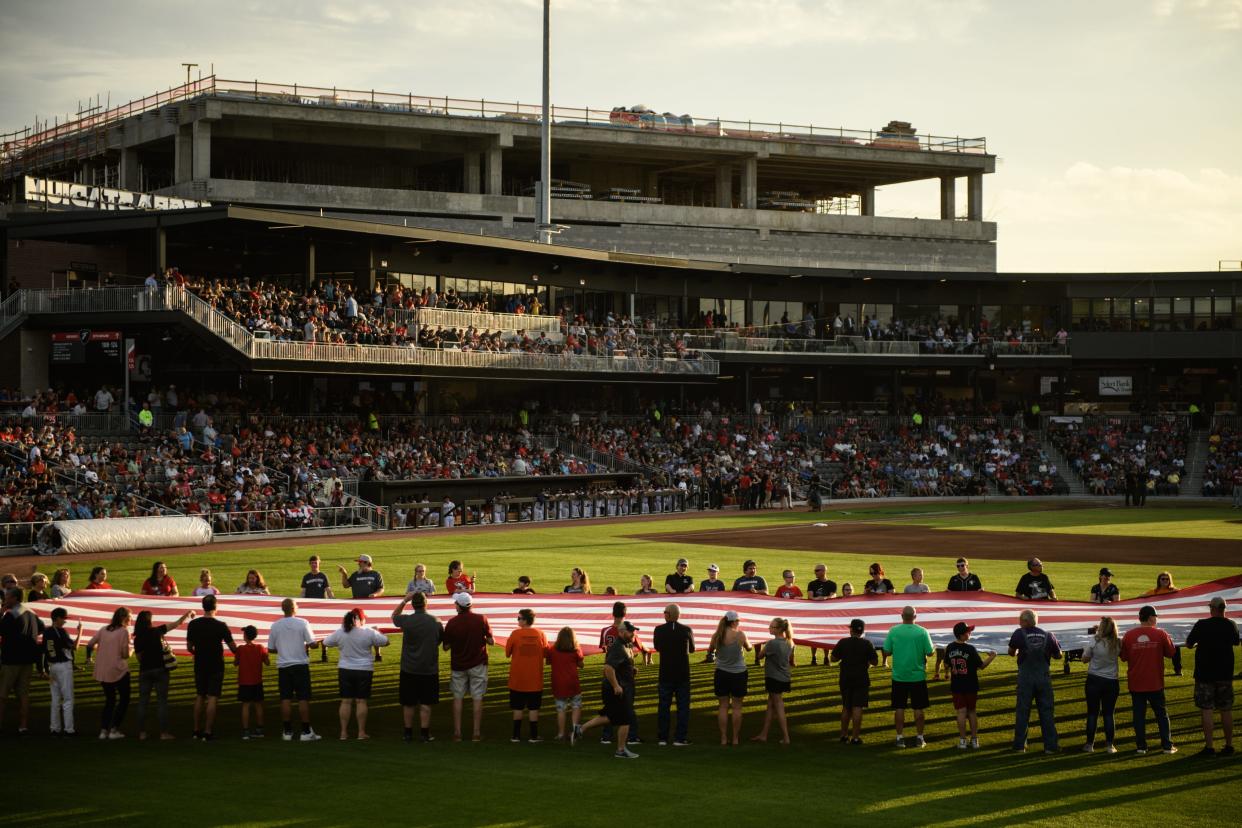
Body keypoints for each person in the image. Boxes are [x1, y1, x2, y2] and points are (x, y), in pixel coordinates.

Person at [576, 621, 641, 758]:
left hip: (621, 686)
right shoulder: (618, 647)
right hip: (618, 689)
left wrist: (631, 670)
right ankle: (621, 750)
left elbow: (620, 665)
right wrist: (616, 685)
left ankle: (581, 729)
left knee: (610, 716)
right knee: (626, 719)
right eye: (631, 631)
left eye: (634, 631)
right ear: (622, 632)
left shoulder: (627, 644)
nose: (633, 634)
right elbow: (608, 668)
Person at [1185, 596, 1239, 757]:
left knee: (1207, 710)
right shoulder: (1231, 624)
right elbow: (1236, 641)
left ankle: (1209, 747)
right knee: (1226, 709)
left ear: (1212, 609)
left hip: (1205, 674)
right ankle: (1229, 745)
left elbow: (1189, 643)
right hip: (1225, 673)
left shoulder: (1202, 624)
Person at [324, 607, 389, 740]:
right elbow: (386, 641)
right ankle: (361, 732)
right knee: (361, 701)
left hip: (345, 669)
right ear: (362, 619)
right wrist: (377, 632)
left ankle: (343, 733)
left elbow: (326, 642)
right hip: (364, 670)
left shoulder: (340, 632)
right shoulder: (369, 632)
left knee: (346, 701)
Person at [1121, 605, 1177, 755]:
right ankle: (1167, 745)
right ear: (1150, 617)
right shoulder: (1161, 634)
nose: (1157, 619)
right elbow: (1171, 653)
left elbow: (1124, 657)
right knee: (1161, 715)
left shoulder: (1129, 635)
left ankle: (1141, 746)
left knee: (1139, 716)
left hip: (1136, 682)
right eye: (1156, 616)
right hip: (1155, 682)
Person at [132, 607, 194, 741]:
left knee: (143, 702)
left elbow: (139, 658)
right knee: (162, 702)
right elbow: (176, 624)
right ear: (150, 621)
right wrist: (187, 614)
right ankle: (164, 733)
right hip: (161, 670)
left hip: (145, 671)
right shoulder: (157, 631)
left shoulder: (137, 639)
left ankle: (142, 733)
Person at [391, 591, 444, 743]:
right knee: (426, 703)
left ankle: (407, 733)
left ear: (412, 604)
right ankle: (425, 734)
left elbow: (394, 616)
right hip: (429, 668)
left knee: (408, 703)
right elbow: (440, 640)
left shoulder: (407, 620)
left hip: (409, 668)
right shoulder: (436, 621)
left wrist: (403, 601)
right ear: (426, 603)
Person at [267, 598, 323, 741]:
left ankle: (287, 731)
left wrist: (283, 649)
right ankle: (305, 731)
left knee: (285, 698)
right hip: (300, 665)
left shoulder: (275, 626)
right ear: (294, 608)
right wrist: (321, 641)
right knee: (303, 698)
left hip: (284, 666)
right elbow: (312, 644)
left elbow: (271, 649)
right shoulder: (303, 623)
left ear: (282, 609)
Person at [442, 592, 494, 742]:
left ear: (459, 605)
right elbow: (491, 641)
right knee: (477, 698)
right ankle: (476, 733)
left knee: (457, 698)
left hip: (458, 664)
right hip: (478, 663)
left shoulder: (452, 622)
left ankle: (457, 732)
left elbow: (446, 646)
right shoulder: (481, 619)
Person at [1008, 608, 1061, 754]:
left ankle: (1019, 745)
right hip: (1043, 678)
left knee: (1023, 712)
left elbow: (1011, 652)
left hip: (1025, 678)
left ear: (1025, 621)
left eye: (1020, 620)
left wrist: (1019, 651)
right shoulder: (1048, 635)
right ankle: (1050, 746)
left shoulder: (1019, 634)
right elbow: (1059, 655)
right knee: (1047, 712)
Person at [186, 594, 238, 741]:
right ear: (216, 607)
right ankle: (208, 731)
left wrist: (196, 653)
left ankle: (196, 730)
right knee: (213, 697)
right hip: (216, 665)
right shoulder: (221, 626)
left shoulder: (193, 624)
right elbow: (233, 648)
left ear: (203, 607)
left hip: (200, 664)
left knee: (200, 695)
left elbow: (189, 647)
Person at [883, 606, 934, 748]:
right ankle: (919, 737)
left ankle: (900, 738)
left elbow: (887, 651)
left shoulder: (894, 631)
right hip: (917, 676)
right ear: (915, 617)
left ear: (901, 616)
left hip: (899, 676)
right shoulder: (922, 632)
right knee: (918, 708)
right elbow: (930, 653)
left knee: (899, 708)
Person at [0, 586, 45, 736]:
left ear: (14, 598)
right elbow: (42, 628)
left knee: (2, 694)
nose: (5, 600)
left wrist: (1, 614)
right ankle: (23, 726)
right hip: (28, 660)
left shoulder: (10, 615)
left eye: (7, 597)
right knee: (24, 694)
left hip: (11, 660)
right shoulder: (31, 613)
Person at [945, 622, 995, 749]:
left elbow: (946, 664)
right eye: (968, 632)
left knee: (961, 712)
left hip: (956, 685)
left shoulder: (950, 647)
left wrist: (950, 672)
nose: (970, 633)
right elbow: (982, 666)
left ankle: (962, 740)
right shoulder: (970, 649)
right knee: (971, 711)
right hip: (971, 684)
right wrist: (992, 657)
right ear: (961, 635)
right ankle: (974, 740)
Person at [85, 606, 131, 740]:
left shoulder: (103, 629)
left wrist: (90, 658)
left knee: (110, 701)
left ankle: (104, 730)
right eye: (129, 617)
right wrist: (131, 651)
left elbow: (90, 644)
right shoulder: (123, 632)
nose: (131, 620)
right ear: (124, 618)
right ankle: (114, 729)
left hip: (103, 671)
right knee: (124, 699)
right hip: (118, 670)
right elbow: (125, 654)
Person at [652, 603, 695, 746]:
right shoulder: (686, 630)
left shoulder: (658, 630)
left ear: (668, 614)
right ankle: (680, 737)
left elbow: (657, 647)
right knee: (683, 707)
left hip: (665, 673)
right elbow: (693, 649)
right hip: (682, 674)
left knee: (664, 706)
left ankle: (663, 737)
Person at [506, 607, 548, 743]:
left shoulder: (515, 634)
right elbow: (546, 652)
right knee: (534, 708)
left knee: (517, 707)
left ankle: (515, 735)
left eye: (519, 618)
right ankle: (533, 736)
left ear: (525, 620)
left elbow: (507, 652)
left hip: (517, 678)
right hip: (535, 678)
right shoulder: (541, 634)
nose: (517, 620)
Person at [832, 619, 878, 744]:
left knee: (846, 707)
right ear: (862, 631)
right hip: (861, 678)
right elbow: (875, 661)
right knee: (857, 707)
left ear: (851, 629)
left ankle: (843, 735)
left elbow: (833, 658)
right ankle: (855, 737)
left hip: (845, 678)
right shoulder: (867, 643)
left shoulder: (843, 642)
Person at [1080, 616, 1121, 754]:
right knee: (1109, 714)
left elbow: (1084, 659)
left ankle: (1089, 744)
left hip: (1094, 679)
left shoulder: (1095, 641)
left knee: (1092, 713)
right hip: (1111, 681)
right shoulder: (1118, 642)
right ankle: (1110, 745)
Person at [710, 610, 752, 746]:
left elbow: (710, 650)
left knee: (722, 706)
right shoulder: (740, 635)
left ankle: (723, 737)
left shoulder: (717, 635)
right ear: (734, 622)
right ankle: (735, 738)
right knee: (737, 707)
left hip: (722, 673)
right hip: (739, 674)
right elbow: (749, 648)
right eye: (738, 621)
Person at [752, 617, 795, 744]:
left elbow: (759, 656)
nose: (769, 628)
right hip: (784, 677)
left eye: (772, 627)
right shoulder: (790, 642)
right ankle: (763, 734)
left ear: (779, 629)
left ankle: (786, 737)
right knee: (770, 705)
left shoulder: (772, 643)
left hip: (774, 677)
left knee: (778, 706)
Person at [42, 607, 82, 736]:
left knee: (55, 699)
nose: (65, 621)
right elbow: (75, 646)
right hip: (63, 667)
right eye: (64, 618)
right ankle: (69, 730)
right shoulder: (61, 632)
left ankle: (54, 728)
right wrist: (80, 631)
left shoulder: (47, 632)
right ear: (57, 618)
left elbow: (44, 650)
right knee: (68, 699)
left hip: (52, 667)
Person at [1141, 572, 1182, 675]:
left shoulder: (1175, 592)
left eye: (1166, 579)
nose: (1164, 581)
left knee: (1175, 645)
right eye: (1162, 579)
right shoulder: (1153, 592)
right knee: (1156, 647)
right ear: (1159, 580)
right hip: (1157, 624)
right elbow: (1140, 598)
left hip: (1171, 623)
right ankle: (1156, 669)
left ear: (1170, 580)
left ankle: (1178, 669)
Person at [549, 627, 585, 742]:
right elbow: (581, 664)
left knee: (561, 709)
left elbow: (548, 661)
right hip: (573, 682)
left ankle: (560, 734)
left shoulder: (553, 650)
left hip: (558, 683)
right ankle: (574, 732)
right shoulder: (576, 650)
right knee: (576, 706)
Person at [235, 625, 269, 740]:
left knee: (245, 705)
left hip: (244, 682)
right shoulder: (260, 647)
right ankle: (260, 729)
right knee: (258, 705)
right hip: (257, 681)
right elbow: (267, 662)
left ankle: (246, 731)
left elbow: (236, 663)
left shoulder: (240, 649)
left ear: (245, 636)